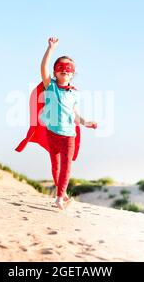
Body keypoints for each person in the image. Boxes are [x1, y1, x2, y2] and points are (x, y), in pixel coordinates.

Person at [39, 37, 97, 210]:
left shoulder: (74, 93)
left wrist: (86, 122)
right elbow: (43, 67)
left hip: (68, 135)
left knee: (66, 166)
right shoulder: (50, 86)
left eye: (68, 68)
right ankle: (62, 193)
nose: (65, 70)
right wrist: (51, 49)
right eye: (61, 68)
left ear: (72, 74)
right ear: (55, 72)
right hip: (52, 133)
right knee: (55, 167)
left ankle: (59, 198)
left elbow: (74, 114)